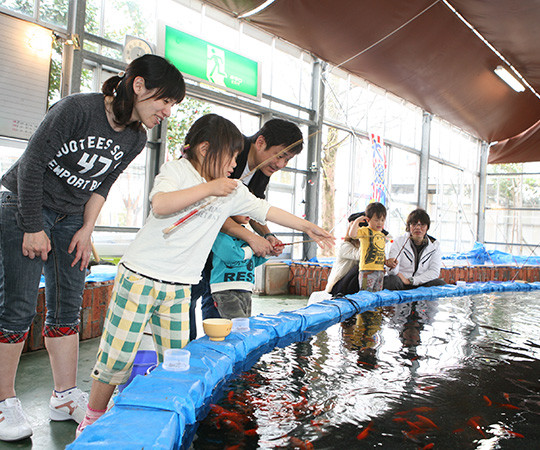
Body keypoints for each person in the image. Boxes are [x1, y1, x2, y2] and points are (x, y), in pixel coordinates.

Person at [76, 114, 333, 435]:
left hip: (180, 285)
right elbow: (161, 205)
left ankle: (166, 415)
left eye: (237, 157)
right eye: (231, 156)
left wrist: (309, 226)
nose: (235, 164)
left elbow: (265, 211)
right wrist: (212, 188)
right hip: (140, 276)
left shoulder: (231, 189)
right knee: (117, 355)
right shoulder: (178, 171)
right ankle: (93, 417)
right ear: (203, 149)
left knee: (176, 359)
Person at [0, 54, 185, 442]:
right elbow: (32, 162)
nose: (167, 111)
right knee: (18, 306)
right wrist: (33, 225)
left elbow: (102, 184)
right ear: (138, 86)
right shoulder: (77, 109)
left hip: (71, 217)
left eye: (172, 105)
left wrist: (87, 229)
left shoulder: (135, 137)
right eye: (165, 101)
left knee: (67, 304)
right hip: (25, 204)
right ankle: (4, 402)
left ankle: (64, 396)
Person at [189, 119, 303, 338]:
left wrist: (267, 235)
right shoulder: (231, 153)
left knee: (215, 296)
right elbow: (211, 209)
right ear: (260, 142)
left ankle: (218, 350)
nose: (281, 165)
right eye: (279, 155)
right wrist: (250, 238)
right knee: (191, 297)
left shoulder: (262, 171)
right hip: (197, 241)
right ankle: (192, 352)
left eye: (287, 160)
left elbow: (255, 208)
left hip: (219, 249)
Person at [210, 215, 267, 318]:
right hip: (225, 290)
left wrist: (268, 252)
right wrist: (254, 249)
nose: (249, 213)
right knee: (238, 327)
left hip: (246, 289)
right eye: (243, 208)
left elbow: (251, 261)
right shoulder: (220, 233)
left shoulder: (247, 235)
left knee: (243, 325)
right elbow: (231, 255)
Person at [384, 208, 445, 290]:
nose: (418, 228)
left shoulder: (434, 245)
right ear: (409, 226)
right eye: (414, 224)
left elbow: (434, 271)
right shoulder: (399, 241)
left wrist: (412, 281)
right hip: (401, 282)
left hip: (420, 283)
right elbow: (392, 272)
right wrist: (392, 266)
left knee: (440, 284)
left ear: (427, 227)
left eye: (422, 225)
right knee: (390, 280)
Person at [349, 202, 394, 292]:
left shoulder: (382, 235)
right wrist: (357, 221)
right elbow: (352, 234)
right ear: (368, 220)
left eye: (382, 220)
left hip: (380, 271)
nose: (380, 223)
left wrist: (386, 262)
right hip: (367, 271)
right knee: (366, 294)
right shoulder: (365, 231)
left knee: (377, 295)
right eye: (376, 220)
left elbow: (381, 251)